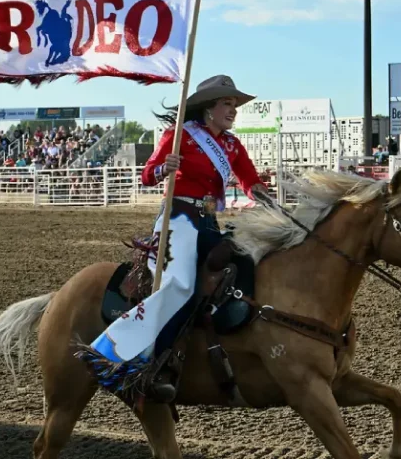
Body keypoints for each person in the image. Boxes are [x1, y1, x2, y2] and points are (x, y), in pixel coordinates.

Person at [81, 74, 267, 402]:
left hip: (209, 221)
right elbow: (147, 175)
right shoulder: (179, 135)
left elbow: (249, 180)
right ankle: (146, 361)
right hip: (177, 218)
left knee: (250, 259)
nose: (234, 109)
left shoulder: (232, 146)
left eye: (234, 104)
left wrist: (266, 196)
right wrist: (163, 167)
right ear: (209, 108)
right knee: (179, 284)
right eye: (228, 102)